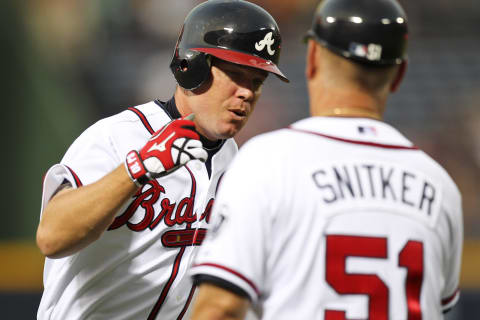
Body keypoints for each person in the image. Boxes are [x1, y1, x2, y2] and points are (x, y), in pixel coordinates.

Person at [189, 0, 463, 319]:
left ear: (313, 58)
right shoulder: (441, 187)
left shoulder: (269, 160)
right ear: (399, 74)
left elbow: (220, 308)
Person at [35, 1, 288, 319]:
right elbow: (52, 237)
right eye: (236, 75)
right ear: (191, 64)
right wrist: (134, 171)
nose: (247, 93)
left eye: (257, 82)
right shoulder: (118, 136)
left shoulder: (234, 161)